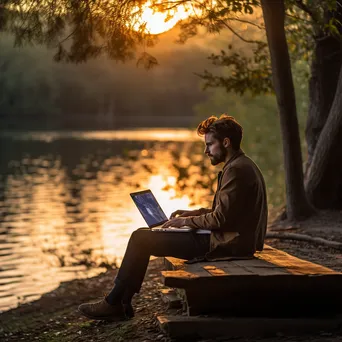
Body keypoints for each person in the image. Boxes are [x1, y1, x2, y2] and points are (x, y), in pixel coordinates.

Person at [78, 114, 268, 321]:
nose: (206, 151)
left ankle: (115, 302)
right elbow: (227, 212)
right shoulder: (241, 165)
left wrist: (184, 222)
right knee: (143, 235)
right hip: (229, 239)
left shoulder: (236, 170)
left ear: (226, 142)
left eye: (209, 144)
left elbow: (221, 220)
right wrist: (193, 213)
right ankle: (121, 302)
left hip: (227, 245)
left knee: (141, 239)